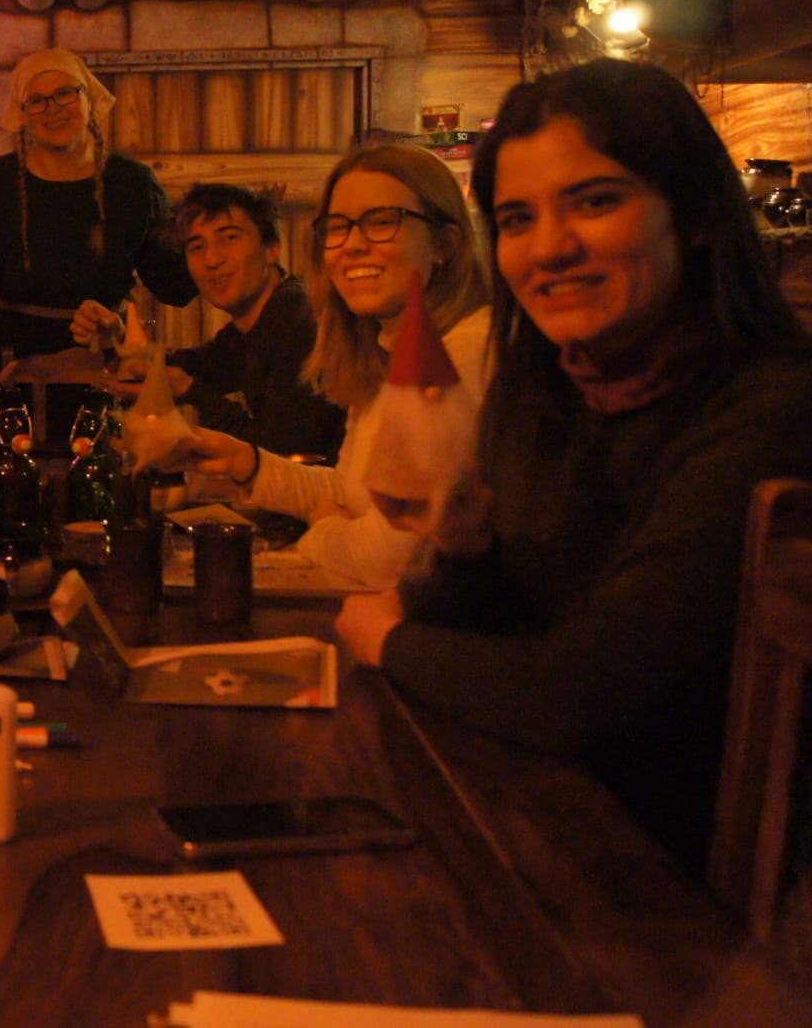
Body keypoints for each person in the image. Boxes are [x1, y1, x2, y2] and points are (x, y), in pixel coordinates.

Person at [335, 58, 812, 867]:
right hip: (544, 825)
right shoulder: (554, 388)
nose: (549, 248)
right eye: (517, 219)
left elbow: (583, 695)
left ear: (692, 213)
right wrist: (465, 549)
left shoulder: (771, 411)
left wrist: (389, 641)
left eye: (594, 202)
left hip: (683, 904)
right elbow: (500, 629)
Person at [164, 145, 493, 589]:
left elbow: (396, 554)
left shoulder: (465, 353)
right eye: (337, 228)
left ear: (445, 241)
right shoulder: (379, 352)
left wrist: (322, 533)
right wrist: (248, 464)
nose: (353, 245)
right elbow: (347, 489)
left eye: (381, 221)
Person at [0, 47, 195, 361]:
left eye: (65, 93)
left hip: (105, 357)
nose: (52, 108)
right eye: (36, 100)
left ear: (89, 100)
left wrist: (209, 246)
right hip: (9, 363)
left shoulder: (133, 184)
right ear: (22, 113)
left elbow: (173, 284)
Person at [71, 181, 344, 460]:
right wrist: (117, 343)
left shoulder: (295, 318)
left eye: (230, 238)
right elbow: (191, 367)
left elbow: (286, 455)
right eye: (196, 247)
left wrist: (194, 393)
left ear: (271, 248)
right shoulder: (254, 324)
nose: (212, 259)